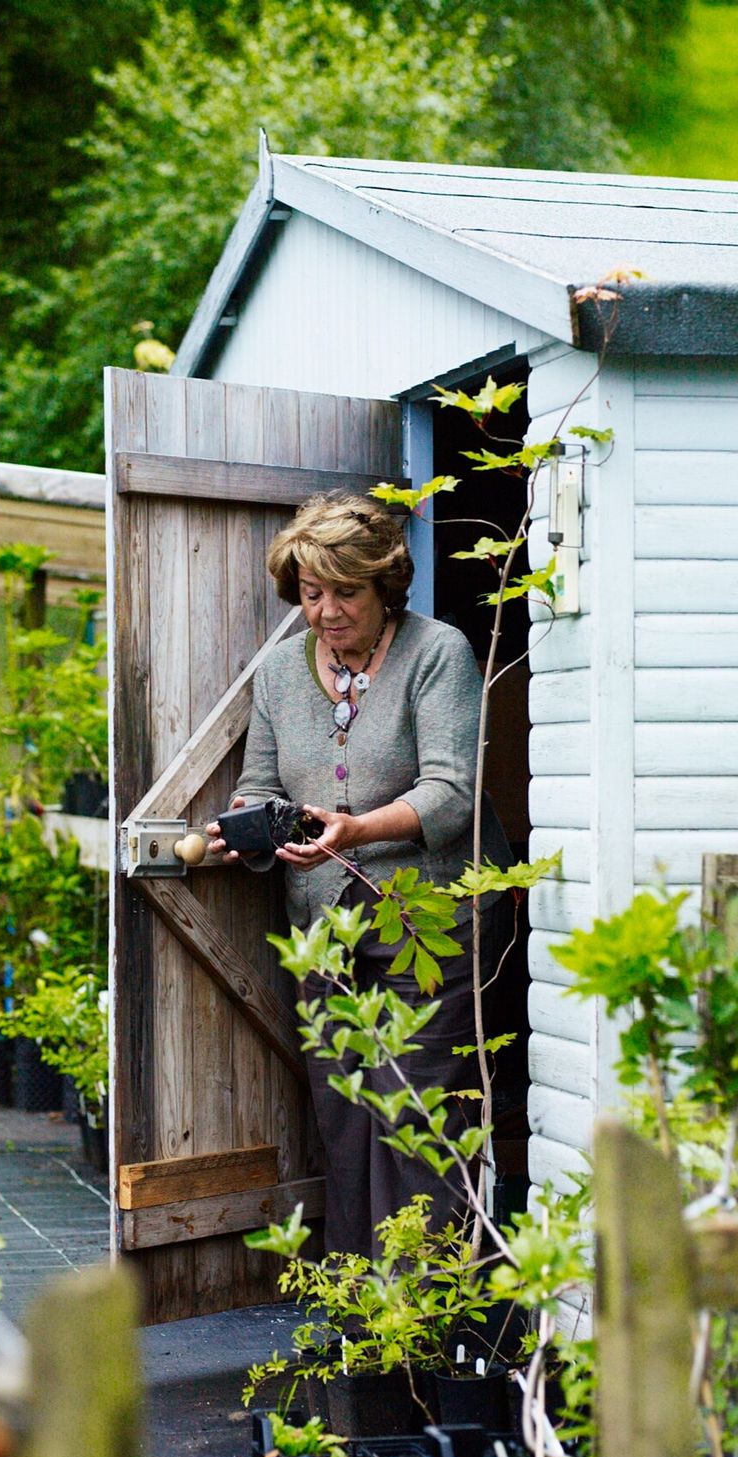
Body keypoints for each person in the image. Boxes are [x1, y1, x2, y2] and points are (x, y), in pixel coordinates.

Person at [207, 491, 510, 1259]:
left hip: (428, 920)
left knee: (417, 1116)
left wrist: (357, 829)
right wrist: (251, 830)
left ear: (386, 587)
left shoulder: (437, 654)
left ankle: (428, 1312)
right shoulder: (278, 672)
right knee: (343, 1118)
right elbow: (263, 783)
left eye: (347, 591)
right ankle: (361, 1316)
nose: (328, 611)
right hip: (325, 925)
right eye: (312, 594)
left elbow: (452, 790)